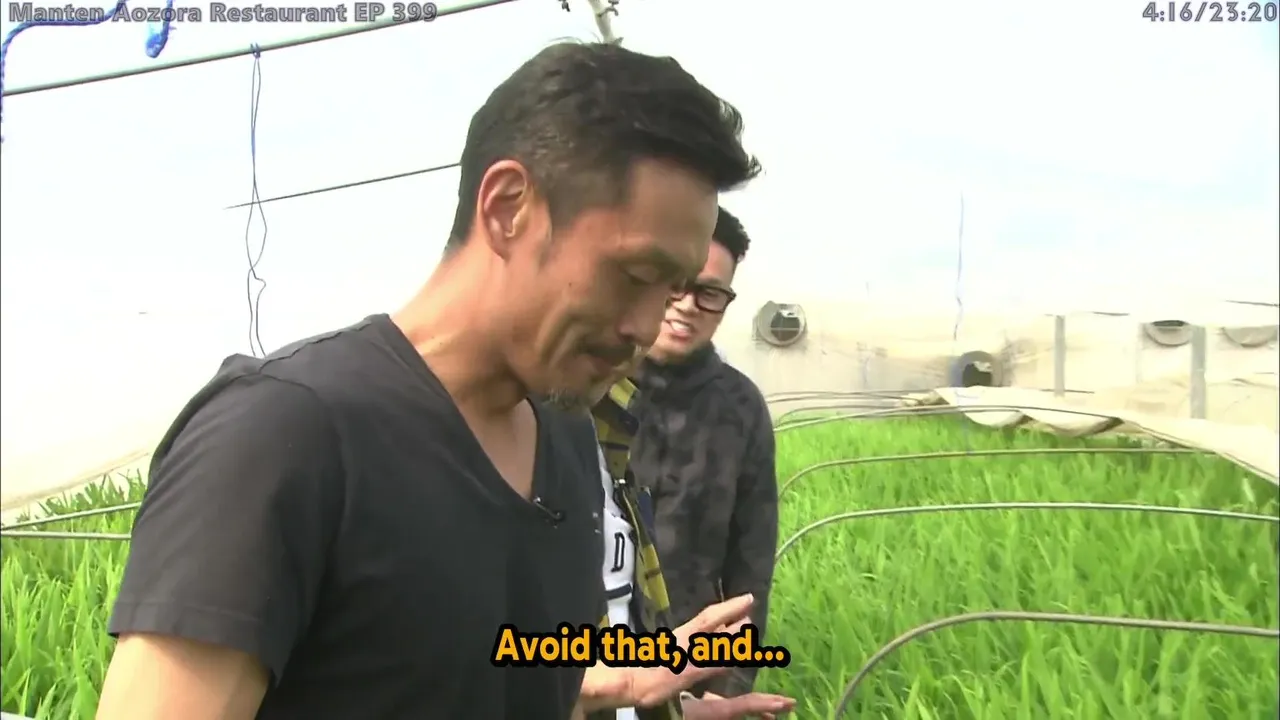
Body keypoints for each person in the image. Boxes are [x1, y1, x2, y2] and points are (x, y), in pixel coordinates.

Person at [94, 41, 761, 720]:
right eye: (635, 276)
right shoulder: (282, 437)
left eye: (675, 289)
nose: (647, 326)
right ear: (508, 207)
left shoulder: (566, 439)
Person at [629, 207, 779, 701]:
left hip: (694, 667)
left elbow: (751, 561)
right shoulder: (587, 391)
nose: (688, 305)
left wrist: (729, 686)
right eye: (677, 284)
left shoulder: (740, 407)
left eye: (710, 293)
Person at [585, 380, 794, 720]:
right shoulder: (568, 426)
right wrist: (633, 685)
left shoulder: (607, 433)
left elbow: (752, 564)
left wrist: (704, 699)